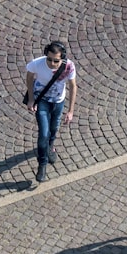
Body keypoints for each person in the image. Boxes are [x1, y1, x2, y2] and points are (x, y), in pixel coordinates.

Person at [25, 42, 77, 183]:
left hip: (58, 102)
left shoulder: (69, 66)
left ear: (62, 58)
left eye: (56, 61)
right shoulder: (37, 64)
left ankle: (51, 146)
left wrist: (71, 111)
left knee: (54, 128)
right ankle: (42, 164)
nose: (52, 63)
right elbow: (29, 78)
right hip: (42, 101)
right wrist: (31, 99)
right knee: (43, 133)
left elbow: (73, 86)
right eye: (49, 59)